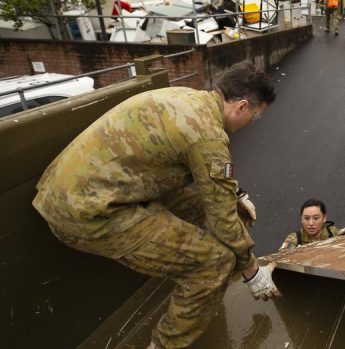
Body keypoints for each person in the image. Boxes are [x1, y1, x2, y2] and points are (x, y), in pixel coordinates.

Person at [32, 63, 282, 349]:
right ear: (241, 106)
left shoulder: (188, 99)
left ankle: (204, 289)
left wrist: (235, 195)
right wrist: (252, 271)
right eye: (255, 115)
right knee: (214, 264)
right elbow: (222, 217)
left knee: (214, 214)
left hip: (74, 191)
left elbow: (213, 182)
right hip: (88, 213)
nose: (253, 122)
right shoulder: (209, 136)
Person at [279, 199, 345, 250]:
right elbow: (281, 257)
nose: (311, 223)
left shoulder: (333, 233)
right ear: (301, 219)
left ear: (324, 218)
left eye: (316, 218)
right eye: (306, 218)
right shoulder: (294, 239)